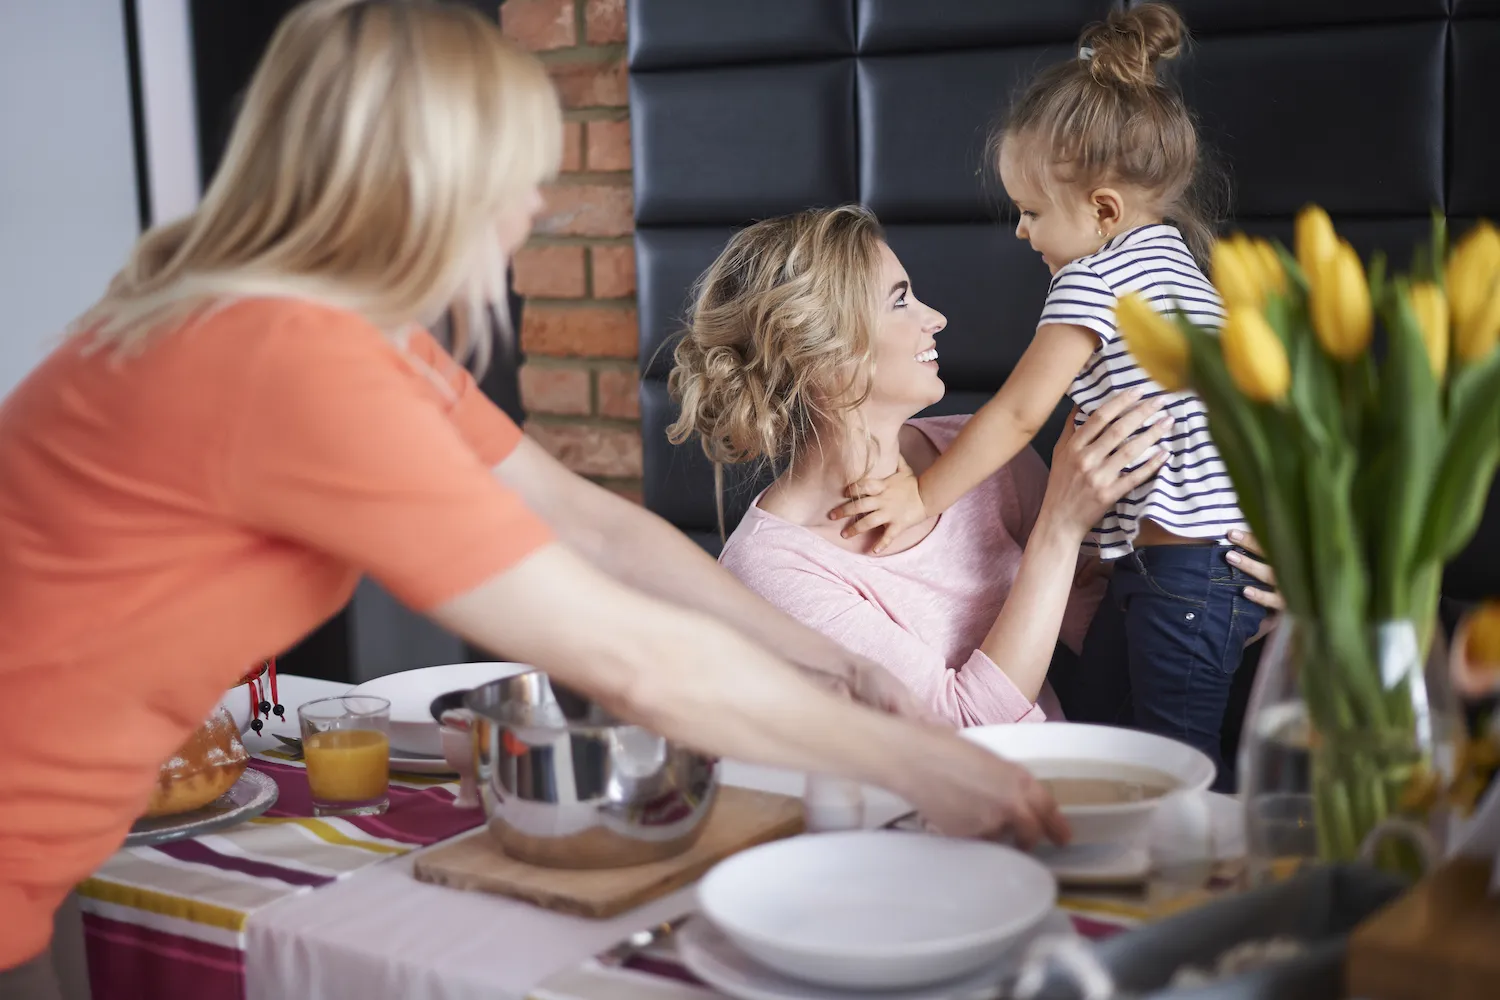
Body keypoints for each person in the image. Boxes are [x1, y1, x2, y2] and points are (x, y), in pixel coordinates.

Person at [0, 2, 1068, 990]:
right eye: (516, 172)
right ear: (428, 179)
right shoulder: (290, 360)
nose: (534, 205)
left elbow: (596, 529)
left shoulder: (335, 336)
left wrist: (837, 665)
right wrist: (932, 763)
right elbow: (631, 656)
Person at [830, 3, 1267, 785]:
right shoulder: (1181, 267)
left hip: (1184, 579)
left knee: (1174, 769)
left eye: (1031, 212)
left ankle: (1196, 890)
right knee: (1113, 732)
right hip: (1187, 569)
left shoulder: (1094, 278)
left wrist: (920, 498)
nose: (1023, 233)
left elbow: (1020, 412)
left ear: (1103, 210)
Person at [670, 204, 1188, 727]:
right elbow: (962, 724)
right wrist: (1059, 525)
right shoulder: (770, 570)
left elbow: (1110, 631)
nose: (935, 318)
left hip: (1068, 785)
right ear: (821, 354)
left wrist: (1237, 583)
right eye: (900, 302)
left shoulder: (977, 455)